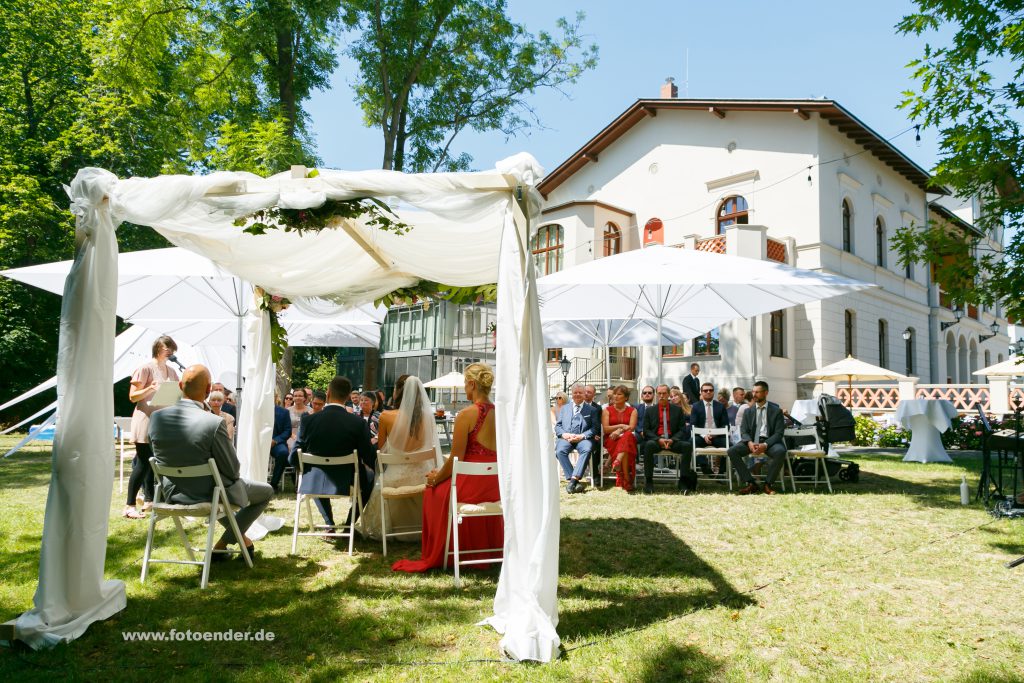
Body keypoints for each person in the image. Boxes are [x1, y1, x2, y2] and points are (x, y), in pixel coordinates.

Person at [149, 364, 273, 560]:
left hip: (172, 492)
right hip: (209, 493)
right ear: (208, 390)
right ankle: (223, 544)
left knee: (223, 490)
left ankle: (239, 541)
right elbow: (233, 470)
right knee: (265, 491)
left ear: (180, 385)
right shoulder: (213, 422)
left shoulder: (156, 418)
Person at [392, 363, 501, 573]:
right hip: (493, 484)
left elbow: (455, 459)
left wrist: (436, 477)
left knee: (434, 492)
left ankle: (445, 552)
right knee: (440, 488)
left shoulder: (467, 414)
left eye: (464, 384)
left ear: (471, 384)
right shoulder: (499, 413)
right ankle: (480, 549)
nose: (464, 388)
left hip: (471, 483)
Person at [357, 375, 441, 541]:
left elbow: (381, 449)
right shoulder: (428, 417)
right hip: (422, 476)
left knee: (381, 482)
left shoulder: (386, 416)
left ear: (397, 392)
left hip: (395, 478)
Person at [290, 376, 376, 529]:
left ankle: (329, 524)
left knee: (312, 472)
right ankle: (349, 523)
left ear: (328, 393)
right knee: (371, 479)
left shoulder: (308, 421)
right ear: (349, 396)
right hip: (348, 477)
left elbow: (294, 454)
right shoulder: (357, 423)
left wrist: (299, 467)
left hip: (314, 478)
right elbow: (368, 455)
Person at [124, 335, 180, 519]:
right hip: (146, 420)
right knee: (142, 463)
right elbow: (133, 397)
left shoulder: (172, 371)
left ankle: (149, 500)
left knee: (155, 462)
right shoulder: (145, 368)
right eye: (167, 347)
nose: (170, 350)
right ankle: (129, 505)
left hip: (163, 421)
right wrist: (150, 389)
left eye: (172, 347)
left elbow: (175, 394)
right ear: (157, 348)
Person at [728, 380, 787, 495]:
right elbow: (743, 430)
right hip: (751, 441)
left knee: (781, 451)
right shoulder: (748, 411)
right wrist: (749, 442)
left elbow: (779, 433)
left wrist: (765, 445)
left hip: (769, 442)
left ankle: (767, 484)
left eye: (757, 392)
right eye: (753, 392)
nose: (754, 395)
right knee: (732, 451)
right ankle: (751, 483)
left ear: (766, 393)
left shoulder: (776, 411)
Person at [641, 384, 693, 495]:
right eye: (659, 393)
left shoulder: (677, 410)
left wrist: (673, 439)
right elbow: (646, 430)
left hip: (672, 441)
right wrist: (658, 439)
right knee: (648, 445)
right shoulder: (650, 411)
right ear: (656, 395)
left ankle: (683, 481)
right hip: (657, 441)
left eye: (664, 393)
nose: (661, 396)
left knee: (687, 446)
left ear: (668, 394)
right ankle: (649, 481)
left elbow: (682, 429)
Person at [554, 384, 599, 494]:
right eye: (575, 392)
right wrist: (564, 434)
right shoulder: (565, 408)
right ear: (572, 394)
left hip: (583, 439)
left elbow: (595, 428)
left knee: (587, 449)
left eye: (580, 392)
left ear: (584, 394)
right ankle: (574, 481)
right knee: (559, 451)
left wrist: (582, 436)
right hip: (567, 438)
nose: (577, 394)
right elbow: (558, 426)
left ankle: (573, 481)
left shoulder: (592, 410)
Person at [603, 385, 638, 491]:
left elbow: (631, 428)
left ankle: (617, 462)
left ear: (626, 397)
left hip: (627, 439)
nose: (615, 396)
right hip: (611, 439)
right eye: (615, 394)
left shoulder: (633, 411)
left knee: (627, 436)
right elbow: (606, 429)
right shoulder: (606, 410)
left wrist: (619, 431)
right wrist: (621, 426)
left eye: (619, 394)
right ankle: (627, 478)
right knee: (626, 441)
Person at [692, 382, 730, 478]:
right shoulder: (696, 406)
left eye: (711, 390)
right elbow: (693, 425)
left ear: (713, 392)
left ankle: (721, 474)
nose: (708, 392)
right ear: (701, 392)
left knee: (730, 445)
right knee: (690, 443)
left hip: (717, 436)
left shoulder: (720, 406)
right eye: (705, 390)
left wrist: (714, 434)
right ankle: (705, 467)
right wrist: (704, 435)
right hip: (701, 436)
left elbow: (726, 425)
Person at [269, 394, 292, 492]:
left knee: (283, 453)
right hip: (259, 442)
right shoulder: (256, 411)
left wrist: (275, 440)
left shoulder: (284, 412)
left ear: (275, 397)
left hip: (276, 442)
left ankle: (273, 484)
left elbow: (287, 431)